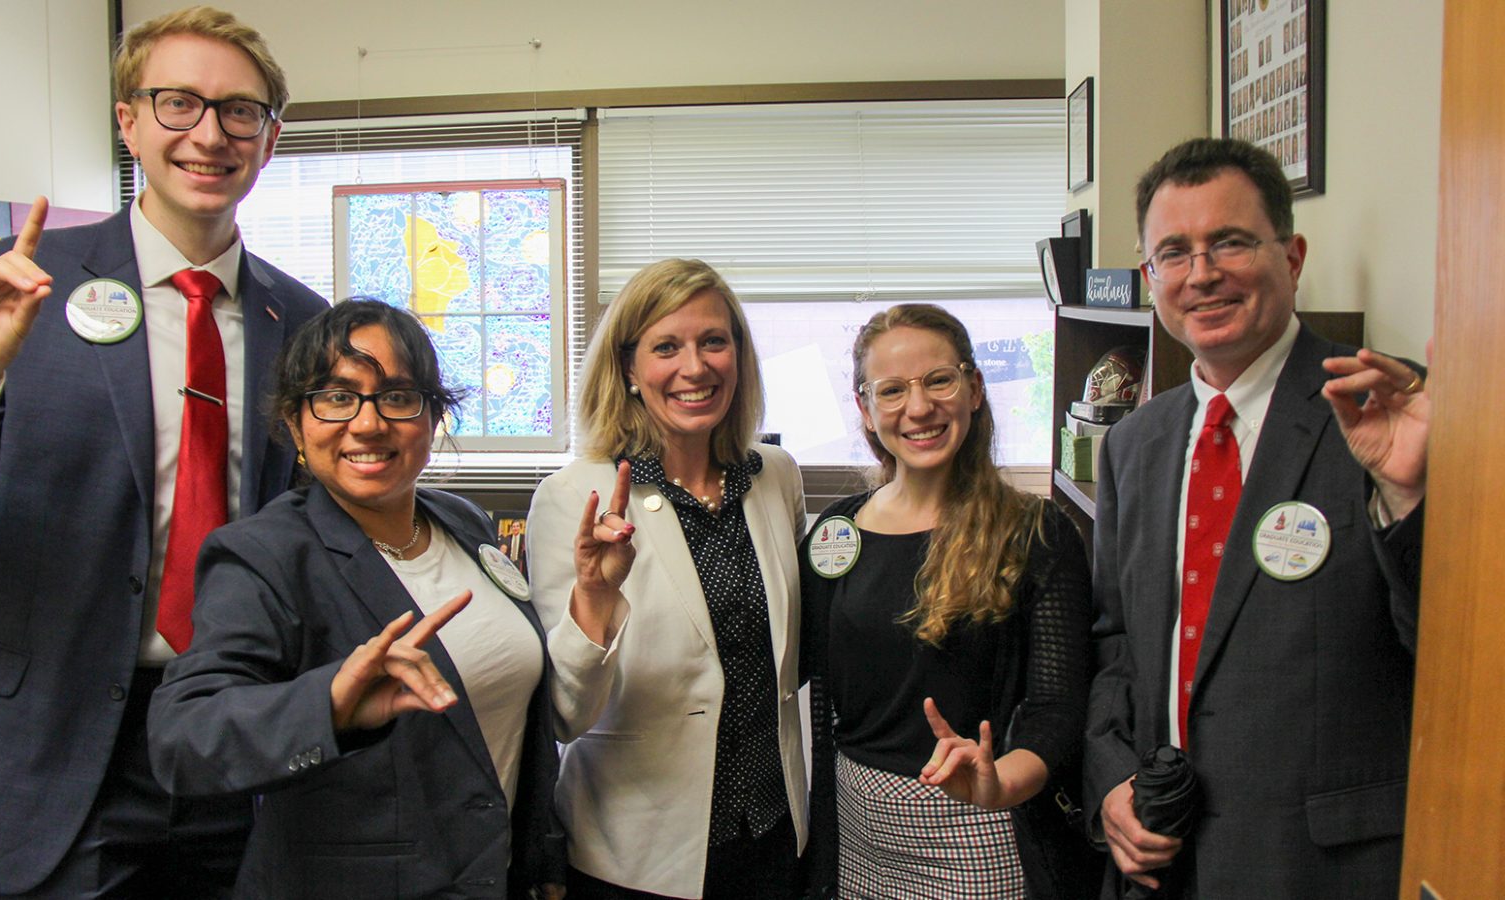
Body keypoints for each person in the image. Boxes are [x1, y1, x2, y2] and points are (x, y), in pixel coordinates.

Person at [0, 7, 326, 896]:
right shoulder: (20, 287)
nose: (209, 134)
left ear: (270, 138)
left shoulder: (307, 322)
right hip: (52, 757)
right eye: (178, 103)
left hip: (234, 744)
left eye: (240, 111)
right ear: (128, 119)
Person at [147, 299, 601, 898]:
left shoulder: (463, 523)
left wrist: (542, 858)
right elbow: (183, 737)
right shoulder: (265, 555)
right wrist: (329, 704)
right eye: (337, 397)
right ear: (294, 424)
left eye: (397, 396)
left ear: (433, 415)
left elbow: (513, 721)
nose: (368, 423)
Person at [1084, 137, 1429, 899]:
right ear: (1151, 278)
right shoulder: (1134, 444)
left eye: (1230, 242)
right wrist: (1112, 781)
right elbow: (1117, 644)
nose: (1202, 273)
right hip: (1163, 859)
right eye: (1174, 252)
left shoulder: (1387, 416)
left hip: (1321, 867)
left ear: (1293, 256)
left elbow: (1454, 646)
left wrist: (1409, 499)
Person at [526, 258, 808, 898]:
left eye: (714, 341)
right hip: (638, 855)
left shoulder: (775, 476)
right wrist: (594, 602)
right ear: (628, 369)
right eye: (665, 347)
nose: (696, 367)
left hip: (772, 833)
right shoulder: (576, 497)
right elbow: (565, 717)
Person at [800, 304, 1095, 899]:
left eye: (939, 380)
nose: (918, 408)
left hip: (982, 830)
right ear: (864, 409)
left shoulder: (1034, 531)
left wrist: (998, 782)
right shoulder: (838, 531)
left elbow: (1058, 709)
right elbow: (799, 665)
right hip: (857, 832)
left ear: (974, 388)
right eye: (892, 390)